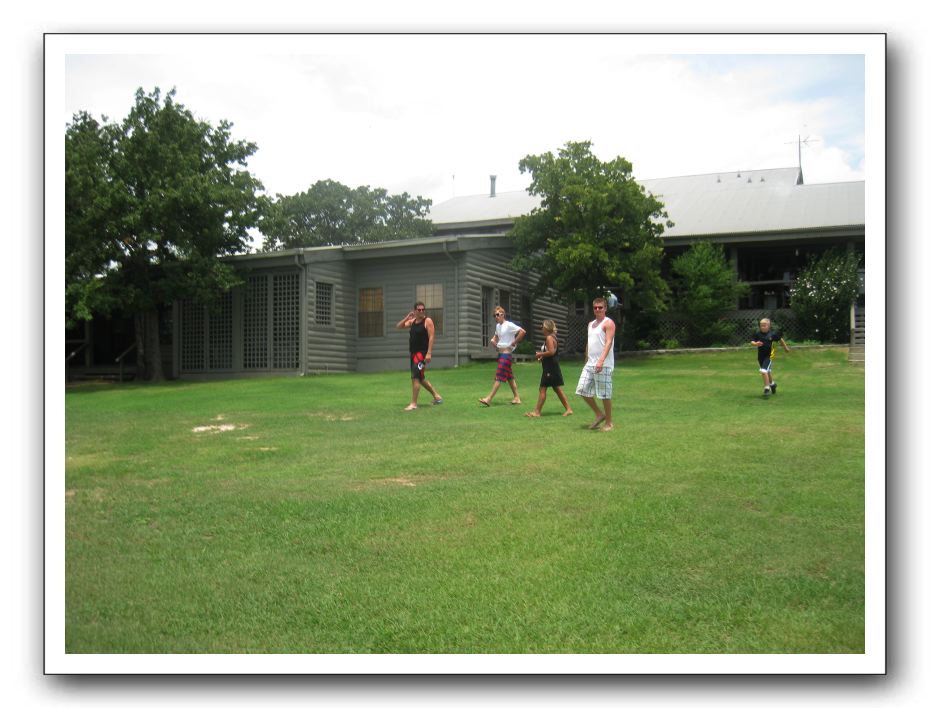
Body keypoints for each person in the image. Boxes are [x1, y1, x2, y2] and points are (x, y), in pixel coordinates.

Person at [575, 297, 616, 431]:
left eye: (600, 307)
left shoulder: (608, 323)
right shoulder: (590, 324)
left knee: (604, 394)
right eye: (595, 307)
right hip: (590, 364)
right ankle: (599, 414)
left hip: (604, 364)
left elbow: (608, 342)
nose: (598, 309)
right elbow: (589, 343)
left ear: (605, 308)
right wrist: (586, 360)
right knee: (582, 390)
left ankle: (609, 423)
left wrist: (601, 360)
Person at [395, 302, 443, 411]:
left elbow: (431, 337)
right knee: (420, 378)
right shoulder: (412, 322)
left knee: (415, 377)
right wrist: (407, 317)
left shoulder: (427, 321)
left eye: (423, 309)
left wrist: (429, 353)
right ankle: (437, 397)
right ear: (415, 311)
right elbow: (399, 326)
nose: (421, 311)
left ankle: (413, 404)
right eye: (419, 309)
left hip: (421, 354)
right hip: (413, 354)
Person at [478, 306, 526, 406]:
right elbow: (496, 337)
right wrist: (494, 342)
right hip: (501, 354)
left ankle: (489, 399)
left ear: (503, 315)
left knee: (499, 376)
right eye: (494, 315)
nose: (496, 317)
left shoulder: (509, 325)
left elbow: (522, 331)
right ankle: (517, 398)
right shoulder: (498, 326)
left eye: (497, 315)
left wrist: (514, 342)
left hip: (506, 355)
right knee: (510, 377)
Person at [525, 320, 573, 418]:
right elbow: (552, 352)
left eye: (542, 327)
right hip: (551, 366)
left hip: (550, 368)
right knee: (556, 388)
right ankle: (568, 409)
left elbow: (551, 352)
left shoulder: (549, 338)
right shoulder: (552, 337)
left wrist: (540, 354)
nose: (541, 329)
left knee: (542, 388)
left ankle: (537, 412)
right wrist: (542, 357)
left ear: (546, 328)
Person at [750, 318, 790, 397]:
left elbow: (780, 339)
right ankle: (773, 384)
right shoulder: (758, 334)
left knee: (763, 371)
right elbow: (752, 341)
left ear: (768, 326)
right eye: (761, 325)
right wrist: (755, 344)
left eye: (764, 325)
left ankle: (767, 388)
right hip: (760, 356)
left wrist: (785, 348)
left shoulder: (772, 334)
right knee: (767, 372)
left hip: (769, 356)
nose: (762, 327)